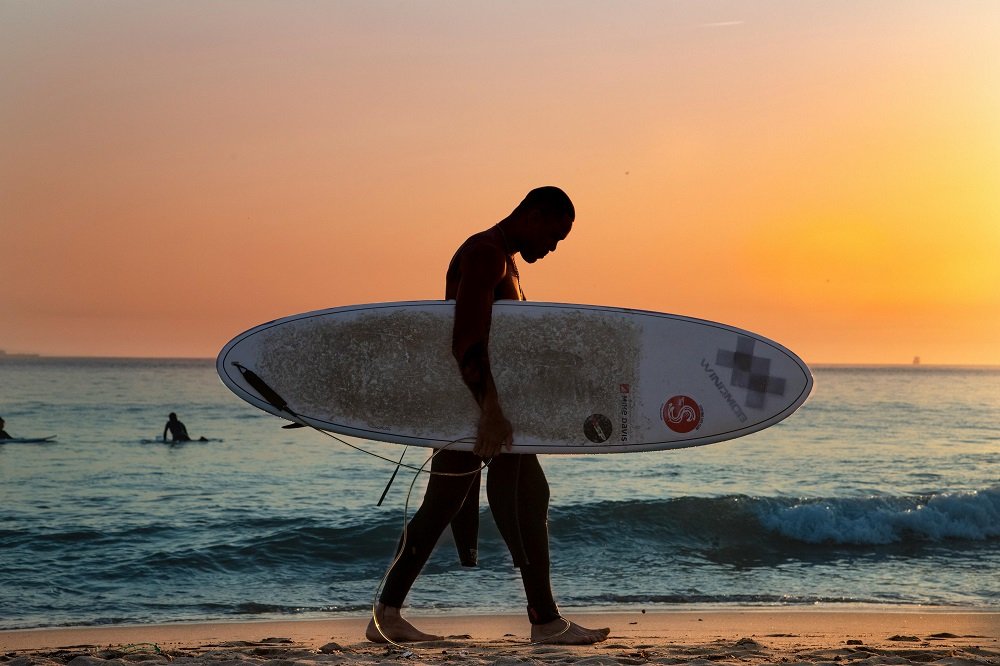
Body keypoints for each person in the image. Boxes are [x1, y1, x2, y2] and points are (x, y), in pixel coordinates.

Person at [366, 186, 610, 645]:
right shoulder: (485, 254)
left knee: (447, 505)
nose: (553, 248)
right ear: (534, 215)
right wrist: (492, 410)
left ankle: (386, 615)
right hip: (479, 405)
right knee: (526, 497)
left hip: (474, 404)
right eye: (554, 236)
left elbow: (505, 343)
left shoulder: (505, 259)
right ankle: (544, 621)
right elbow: (467, 340)